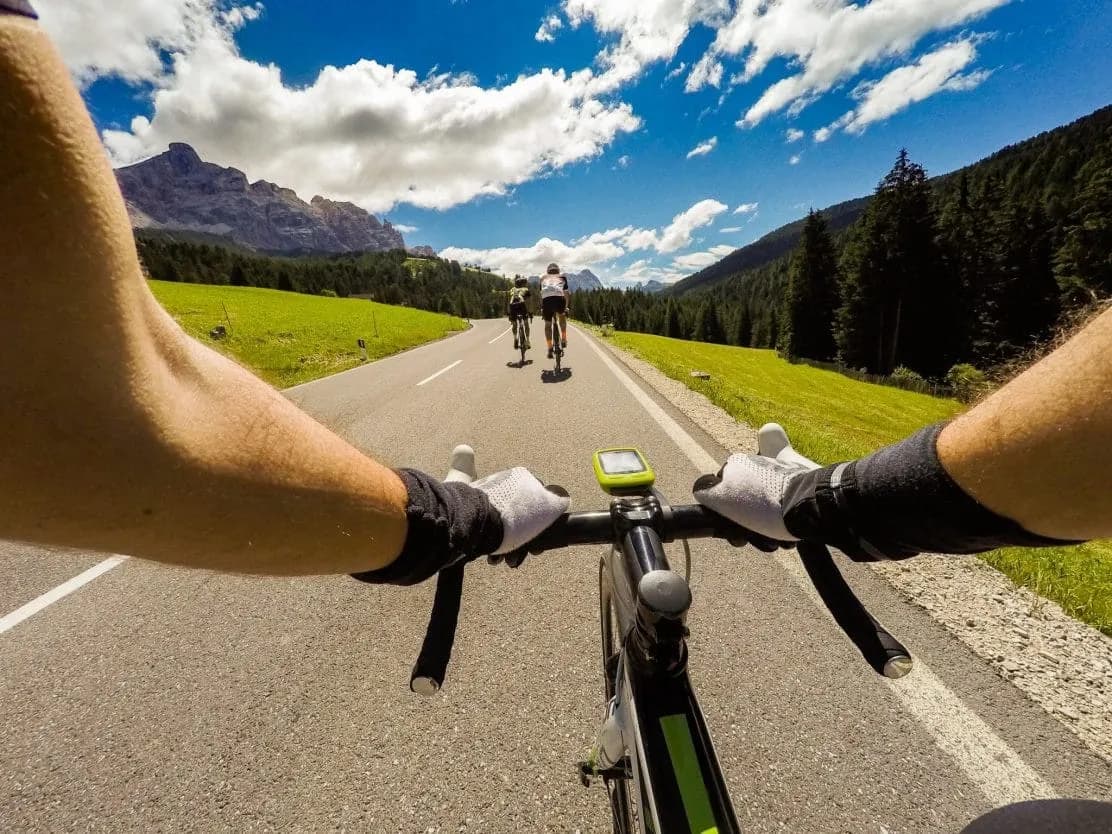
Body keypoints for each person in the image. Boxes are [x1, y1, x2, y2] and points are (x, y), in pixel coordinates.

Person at [3, 3, 1111, 586]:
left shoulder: (541, 281)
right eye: (541, 289)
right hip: (554, 322)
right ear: (540, 282)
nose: (542, 290)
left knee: (555, 332)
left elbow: (97, 419)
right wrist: (838, 500)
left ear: (540, 281)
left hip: (545, 330)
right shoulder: (541, 282)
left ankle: (548, 355)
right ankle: (550, 349)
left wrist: (450, 518)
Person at [539, 262, 570, 359]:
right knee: (562, 316)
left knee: (548, 325)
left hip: (547, 301)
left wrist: (542, 307)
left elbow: (542, 294)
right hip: (559, 300)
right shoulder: (562, 277)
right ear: (558, 270)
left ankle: (549, 347)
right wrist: (566, 307)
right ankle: (564, 339)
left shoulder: (543, 278)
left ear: (548, 271)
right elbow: (566, 293)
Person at [507, 276, 532, 351]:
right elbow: (529, 302)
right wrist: (530, 312)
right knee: (526, 323)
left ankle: (515, 338)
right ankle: (527, 341)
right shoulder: (525, 289)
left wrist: (509, 314)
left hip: (512, 306)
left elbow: (509, 301)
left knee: (514, 324)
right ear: (523, 284)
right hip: (521, 304)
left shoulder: (512, 289)